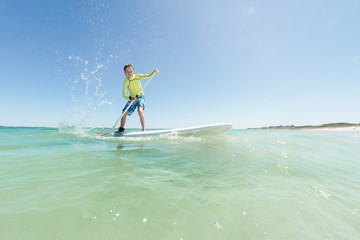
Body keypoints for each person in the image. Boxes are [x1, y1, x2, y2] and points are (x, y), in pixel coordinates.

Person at [116, 64, 159, 133]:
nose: (129, 73)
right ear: (124, 72)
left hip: (141, 96)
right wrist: (130, 98)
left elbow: (148, 76)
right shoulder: (126, 81)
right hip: (132, 98)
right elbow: (124, 94)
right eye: (127, 71)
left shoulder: (137, 76)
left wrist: (153, 73)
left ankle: (144, 130)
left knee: (140, 111)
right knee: (124, 113)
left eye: (131, 71)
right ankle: (121, 130)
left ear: (133, 71)